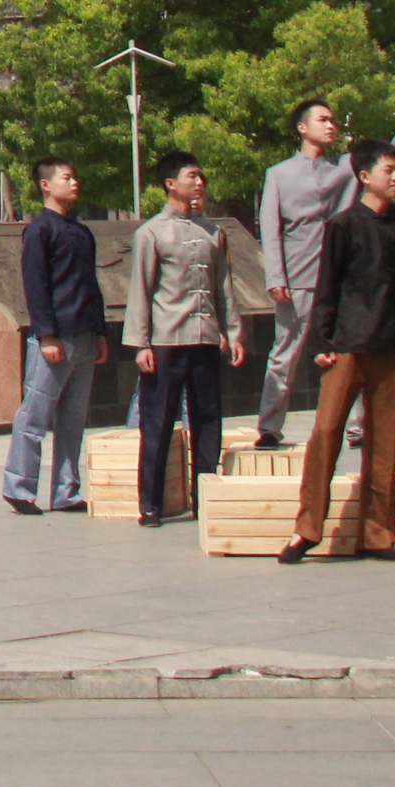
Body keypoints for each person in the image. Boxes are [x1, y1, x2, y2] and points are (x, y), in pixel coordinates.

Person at [281, 141, 395, 562]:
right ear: (365, 176)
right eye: (389, 170)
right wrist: (321, 342)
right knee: (326, 434)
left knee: (385, 446)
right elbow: (326, 288)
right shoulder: (344, 225)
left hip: (393, 345)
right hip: (347, 344)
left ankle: (378, 535)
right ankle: (306, 530)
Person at [255, 97, 395, 444]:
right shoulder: (278, 175)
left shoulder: (346, 168)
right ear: (303, 128)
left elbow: (383, 163)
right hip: (299, 279)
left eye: (333, 120)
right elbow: (269, 229)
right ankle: (269, 427)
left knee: (357, 348)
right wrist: (276, 277)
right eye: (323, 120)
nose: (331, 125)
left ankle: (359, 426)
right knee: (285, 354)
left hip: (347, 280)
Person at [123, 150, 241, 528]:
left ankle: (205, 497)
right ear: (170, 184)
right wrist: (140, 344)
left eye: (201, 175)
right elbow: (140, 290)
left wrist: (233, 331)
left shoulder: (213, 232)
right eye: (192, 176)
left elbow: (225, 287)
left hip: (205, 339)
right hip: (166, 340)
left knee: (208, 419)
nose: (199, 182)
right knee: (156, 422)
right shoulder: (151, 232)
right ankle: (151, 504)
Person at [3, 158, 103, 513]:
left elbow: (91, 286)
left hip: (85, 335)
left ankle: (66, 491)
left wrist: (100, 333)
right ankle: (19, 487)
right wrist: (46, 334)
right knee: (34, 416)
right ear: (46, 185)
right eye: (66, 177)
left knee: (73, 420)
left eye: (75, 176)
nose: (74, 183)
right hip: (54, 337)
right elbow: (36, 286)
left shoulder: (81, 232)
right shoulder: (40, 231)